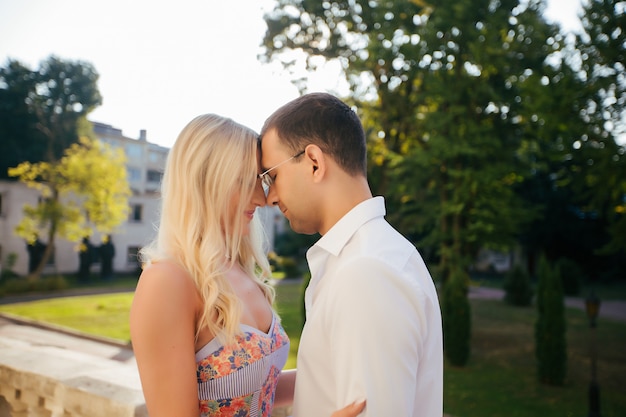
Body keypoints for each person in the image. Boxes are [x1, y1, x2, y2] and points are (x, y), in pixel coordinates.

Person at [129, 114, 365, 417]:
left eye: (263, 180)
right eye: (246, 180)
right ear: (205, 182)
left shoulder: (237, 268)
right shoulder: (166, 282)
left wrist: (348, 371)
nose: (263, 198)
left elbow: (259, 386)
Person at [259, 92, 444, 417]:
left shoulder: (366, 272)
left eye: (272, 176)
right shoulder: (367, 257)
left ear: (314, 162)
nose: (271, 196)